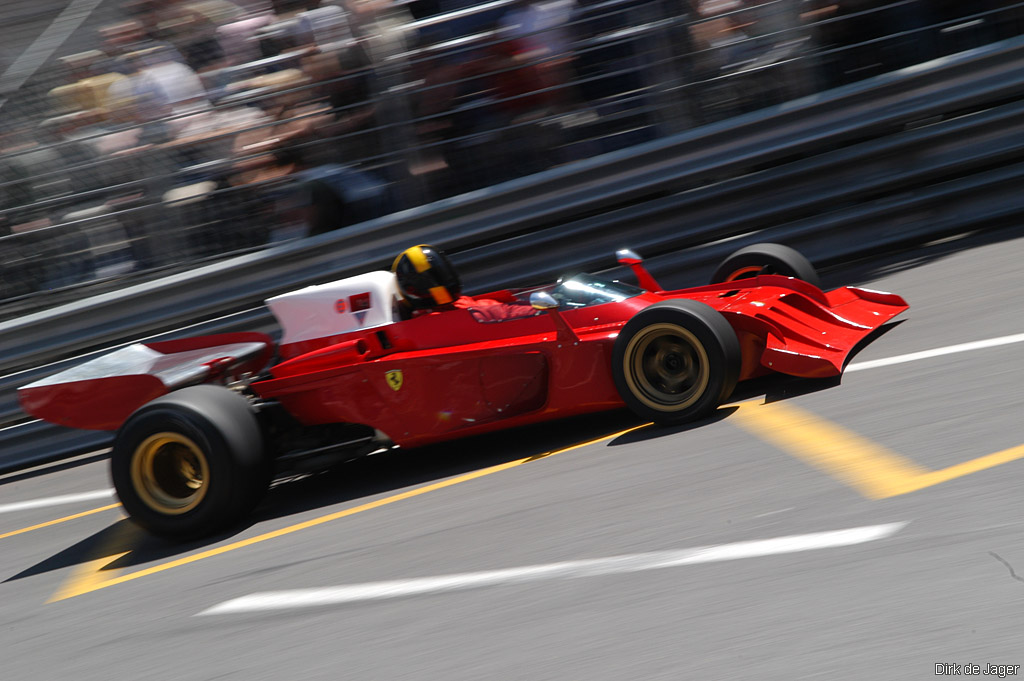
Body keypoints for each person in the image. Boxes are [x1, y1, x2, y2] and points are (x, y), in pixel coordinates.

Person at [392, 244, 538, 322]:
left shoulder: (458, 304)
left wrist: (537, 307)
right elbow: (490, 314)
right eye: (429, 280)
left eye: (440, 274)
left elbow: (498, 310)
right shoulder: (430, 322)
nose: (439, 281)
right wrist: (537, 311)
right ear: (411, 289)